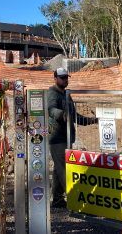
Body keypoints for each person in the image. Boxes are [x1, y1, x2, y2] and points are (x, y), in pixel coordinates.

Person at [47, 67, 98, 208]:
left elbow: (74, 116)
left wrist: (92, 120)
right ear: (55, 78)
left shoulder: (66, 94)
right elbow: (51, 109)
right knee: (64, 169)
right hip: (57, 139)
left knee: (58, 170)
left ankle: (57, 200)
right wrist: (61, 114)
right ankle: (74, 200)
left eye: (66, 77)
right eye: (62, 77)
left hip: (67, 137)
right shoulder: (52, 93)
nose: (65, 80)